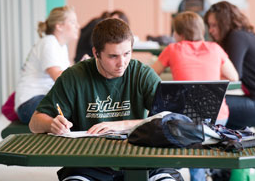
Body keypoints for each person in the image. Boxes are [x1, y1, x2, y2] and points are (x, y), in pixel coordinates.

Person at [29, 18, 183, 181]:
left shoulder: (141, 73)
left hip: (142, 158)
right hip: (89, 162)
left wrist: (121, 125)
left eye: (127, 54)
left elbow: (173, 119)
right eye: (113, 56)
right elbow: (34, 123)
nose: (122, 63)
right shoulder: (73, 77)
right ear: (96, 53)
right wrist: (51, 124)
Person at [151, 11, 239, 181]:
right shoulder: (215, 48)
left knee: (193, 146)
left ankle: (201, 174)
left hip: (188, 119)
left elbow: (151, 75)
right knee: (200, 145)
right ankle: (207, 171)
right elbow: (234, 76)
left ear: (178, 33)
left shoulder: (172, 48)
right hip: (219, 117)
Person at [204, 1, 255, 129]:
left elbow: (234, 77)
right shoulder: (241, 35)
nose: (211, 30)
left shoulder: (237, 37)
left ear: (225, 23)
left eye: (214, 25)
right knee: (210, 101)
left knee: (207, 102)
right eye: (209, 25)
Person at [15, 5, 80, 124]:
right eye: (72, 22)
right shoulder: (49, 42)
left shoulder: (61, 46)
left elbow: (67, 76)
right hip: (30, 102)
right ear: (59, 26)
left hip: (41, 99)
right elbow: (60, 78)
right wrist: (81, 72)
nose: (78, 26)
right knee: (77, 114)